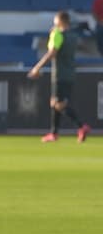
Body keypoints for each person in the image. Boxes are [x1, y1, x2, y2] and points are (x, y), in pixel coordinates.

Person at [27, 10, 91, 143]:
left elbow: (52, 53)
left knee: (58, 104)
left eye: (55, 21)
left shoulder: (58, 35)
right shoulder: (73, 36)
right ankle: (54, 133)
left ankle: (81, 126)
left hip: (59, 75)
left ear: (60, 21)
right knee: (54, 102)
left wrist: (37, 68)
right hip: (70, 74)